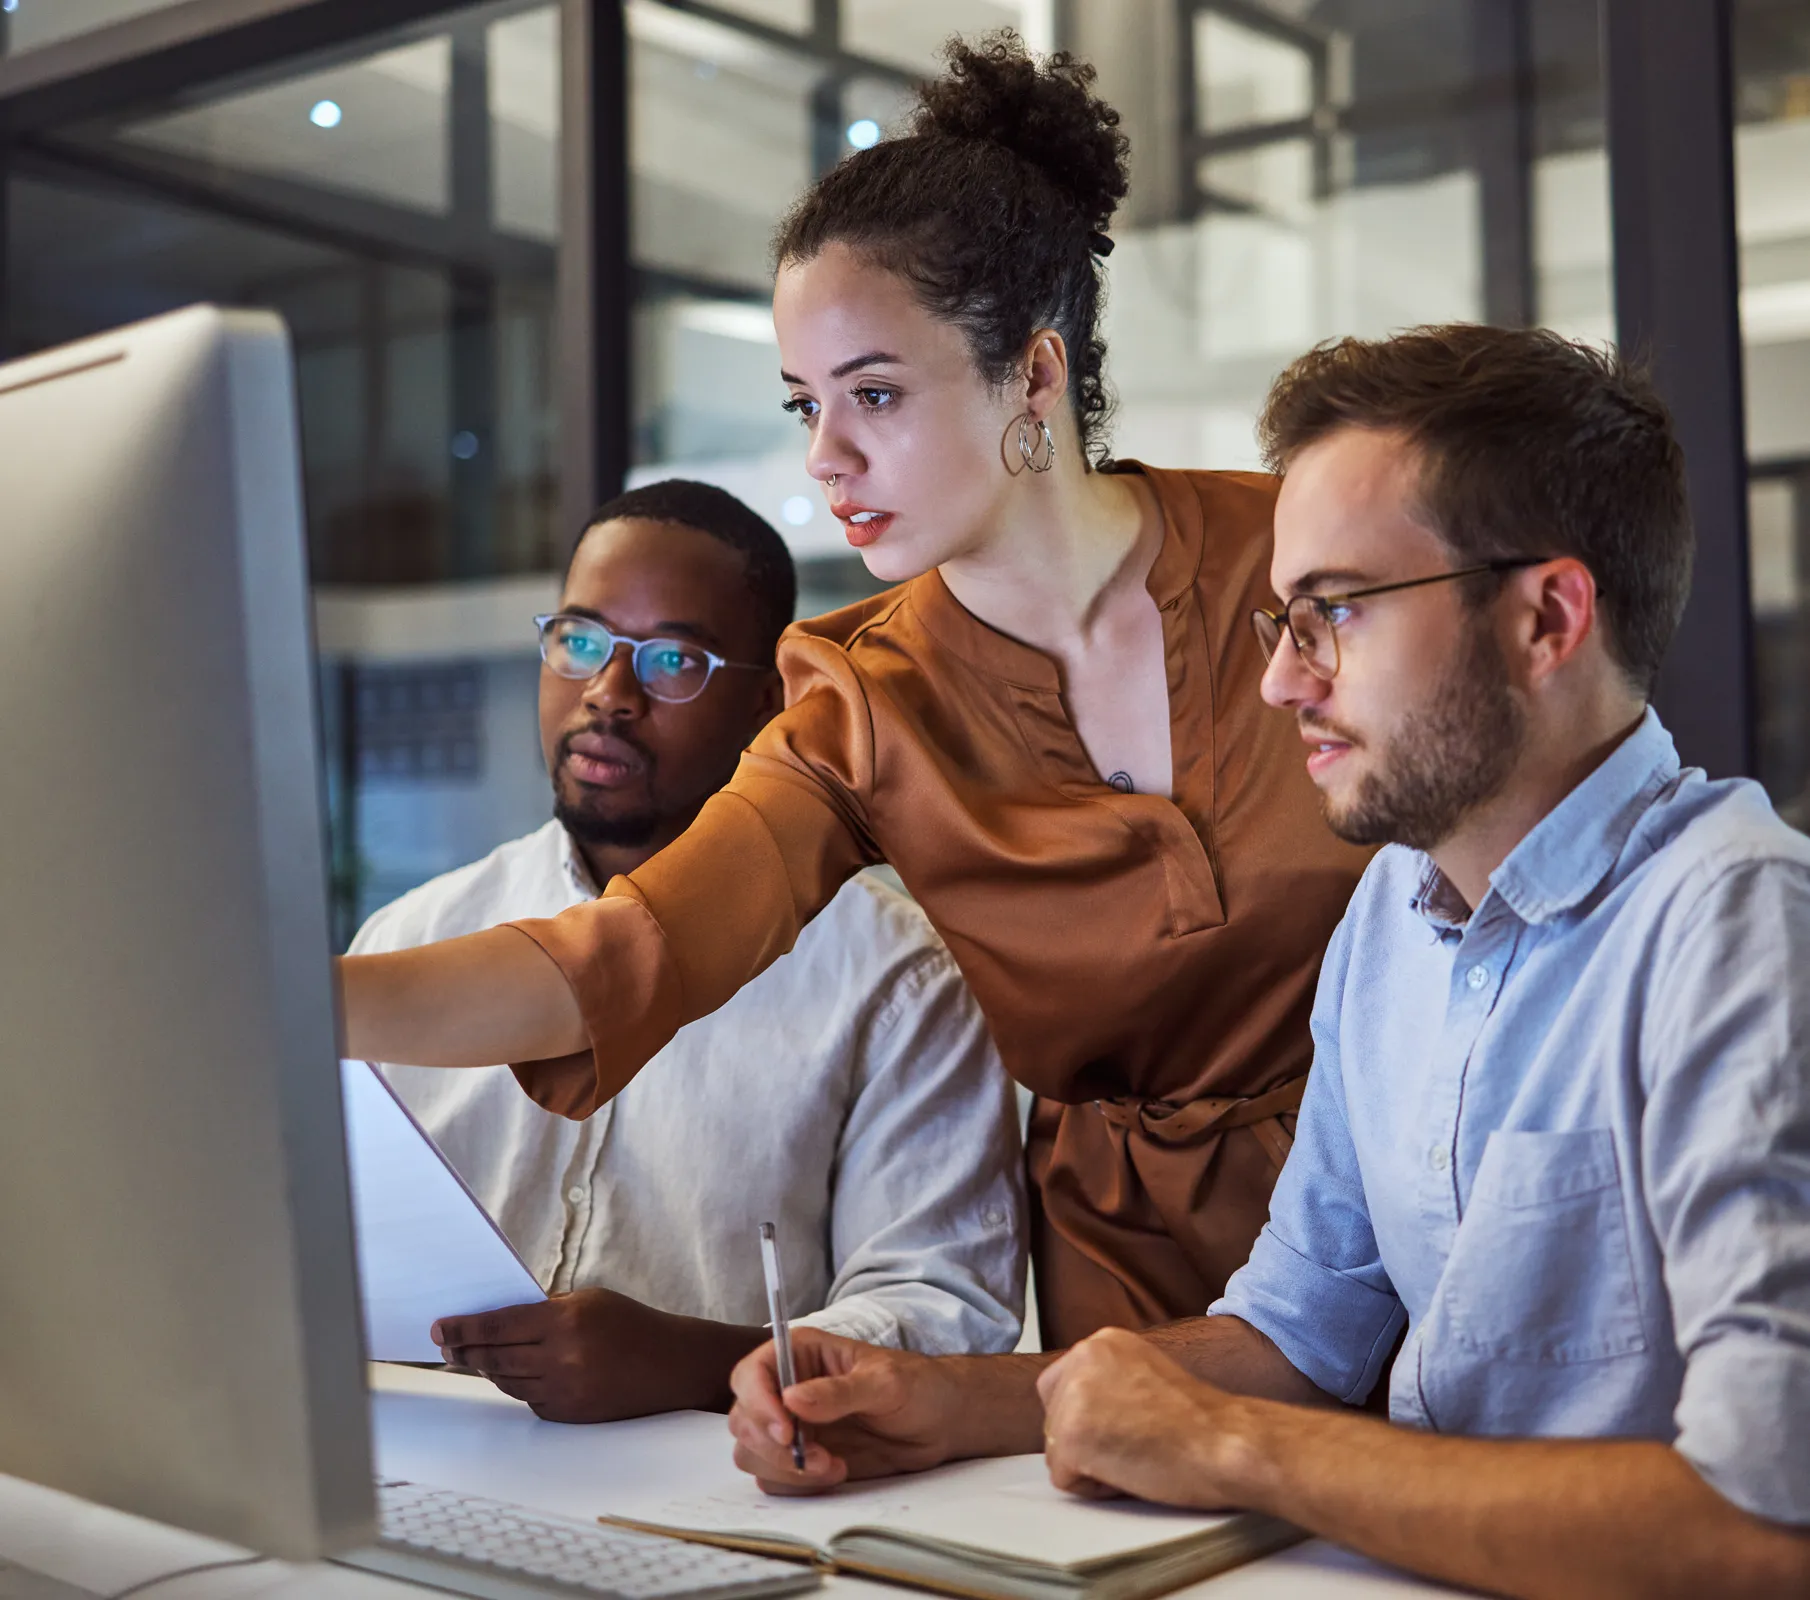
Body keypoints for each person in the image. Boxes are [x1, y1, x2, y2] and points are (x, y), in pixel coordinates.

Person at [730, 327, 1810, 1596]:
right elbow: (1295, 1332)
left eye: (1334, 613)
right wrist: (951, 1404)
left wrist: (1235, 1446)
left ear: (1545, 617)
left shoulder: (1739, 926)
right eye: (1280, 619)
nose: (1281, 680)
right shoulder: (1394, 915)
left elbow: (1767, 1523)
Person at [339, 36, 1370, 1358]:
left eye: (873, 394)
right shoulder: (860, 698)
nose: (825, 459)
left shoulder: (1300, 558)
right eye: (803, 405)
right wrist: (297, 999)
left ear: (1035, 377)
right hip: (1131, 1300)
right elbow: (619, 957)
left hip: (1414, 1213)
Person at [356, 479, 1027, 1422]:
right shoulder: (416, 936)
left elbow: (948, 1311)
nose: (608, 693)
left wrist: (696, 1363)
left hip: (729, 1487)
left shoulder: (897, 978)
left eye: (673, 659)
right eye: (580, 640)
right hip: (419, 1457)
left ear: (768, 703)